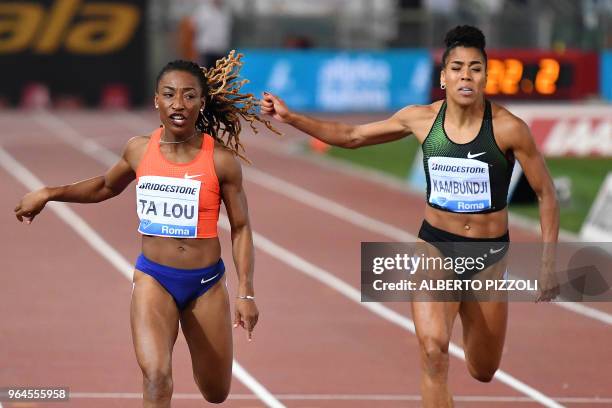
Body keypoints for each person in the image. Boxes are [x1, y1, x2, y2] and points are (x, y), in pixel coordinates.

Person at [261, 25, 560, 406]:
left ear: (486, 75)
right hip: (436, 247)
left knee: (484, 369)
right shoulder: (421, 120)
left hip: (488, 256)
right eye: (456, 68)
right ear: (443, 77)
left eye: (474, 68)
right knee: (434, 351)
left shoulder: (508, 129)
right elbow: (351, 136)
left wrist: (549, 263)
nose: (465, 76)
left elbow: (546, 193)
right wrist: (292, 118)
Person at [14, 52, 277, 407]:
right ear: (156, 101)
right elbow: (106, 187)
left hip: (205, 284)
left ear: (202, 101)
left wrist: (246, 292)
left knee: (216, 392)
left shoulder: (221, 161)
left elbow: (242, 227)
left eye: (188, 95)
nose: (178, 104)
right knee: (156, 378)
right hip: (154, 279)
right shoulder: (139, 150)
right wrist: (49, 193)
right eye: (168, 94)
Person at [191, 0, 233, 69]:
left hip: (221, 51)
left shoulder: (226, 12)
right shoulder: (202, 11)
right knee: (206, 75)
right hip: (206, 51)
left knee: (221, 77)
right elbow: (194, 30)